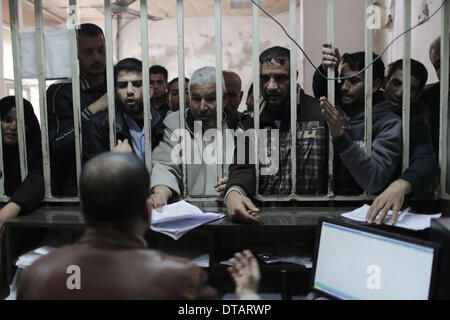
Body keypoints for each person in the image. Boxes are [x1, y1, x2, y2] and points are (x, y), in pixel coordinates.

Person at [16, 152, 260, 299]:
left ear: (82, 210)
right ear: (146, 212)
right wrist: (247, 293)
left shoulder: (36, 275)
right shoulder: (182, 279)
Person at [223, 46, 329, 223]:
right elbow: (243, 168)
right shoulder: (250, 122)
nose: (271, 86)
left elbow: (341, 180)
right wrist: (233, 192)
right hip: (263, 222)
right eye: (264, 78)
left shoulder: (320, 115)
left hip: (312, 223)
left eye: (280, 78)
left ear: (294, 77)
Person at [314, 44, 402, 195]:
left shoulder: (389, 124)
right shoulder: (335, 112)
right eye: (342, 79)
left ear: (375, 85)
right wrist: (327, 68)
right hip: (324, 203)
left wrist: (340, 136)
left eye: (353, 81)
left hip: (364, 207)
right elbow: (321, 91)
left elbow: (375, 180)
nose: (344, 87)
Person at [150, 66, 239, 210]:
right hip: (185, 216)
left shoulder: (239, 126)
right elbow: (165, 165)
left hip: (227, 215)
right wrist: (160, 193)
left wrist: (236, 184)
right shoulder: (174, 122)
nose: (203, 107)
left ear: (224, 99)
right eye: (196, 99)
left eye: (210, 99)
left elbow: (247, 171)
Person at [366, 59, 440, 224]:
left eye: (410, 89)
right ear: (385, 82)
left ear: (417, 96)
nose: (399, 93)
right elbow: (332, 93)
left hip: (384, 204)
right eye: (396, 83)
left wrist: (402, 183)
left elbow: (426, 159)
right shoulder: (367, 100)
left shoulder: (414, 121)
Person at [46, 23, 108, 196]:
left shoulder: (118, 84)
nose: (97, 57)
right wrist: (93, 109)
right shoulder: (61, 92)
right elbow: (57, 147)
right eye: (88, 51)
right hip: (76, 185)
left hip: (117, 180)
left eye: (101, 50)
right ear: (75, 54)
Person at [83, 58, 164, 163]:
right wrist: (114, 162)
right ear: (115, 92)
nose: (129, 91)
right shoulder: (100, 127)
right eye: (122, 85)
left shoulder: (163, 122)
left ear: (150, 90)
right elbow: (94, 176)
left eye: (137, 84)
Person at [0, 97, 44, 230]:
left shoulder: (38, 149)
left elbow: (38, 177)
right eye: (7, 120)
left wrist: (9, 210)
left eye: (20, 121)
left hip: (25, 221)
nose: (13, 127)